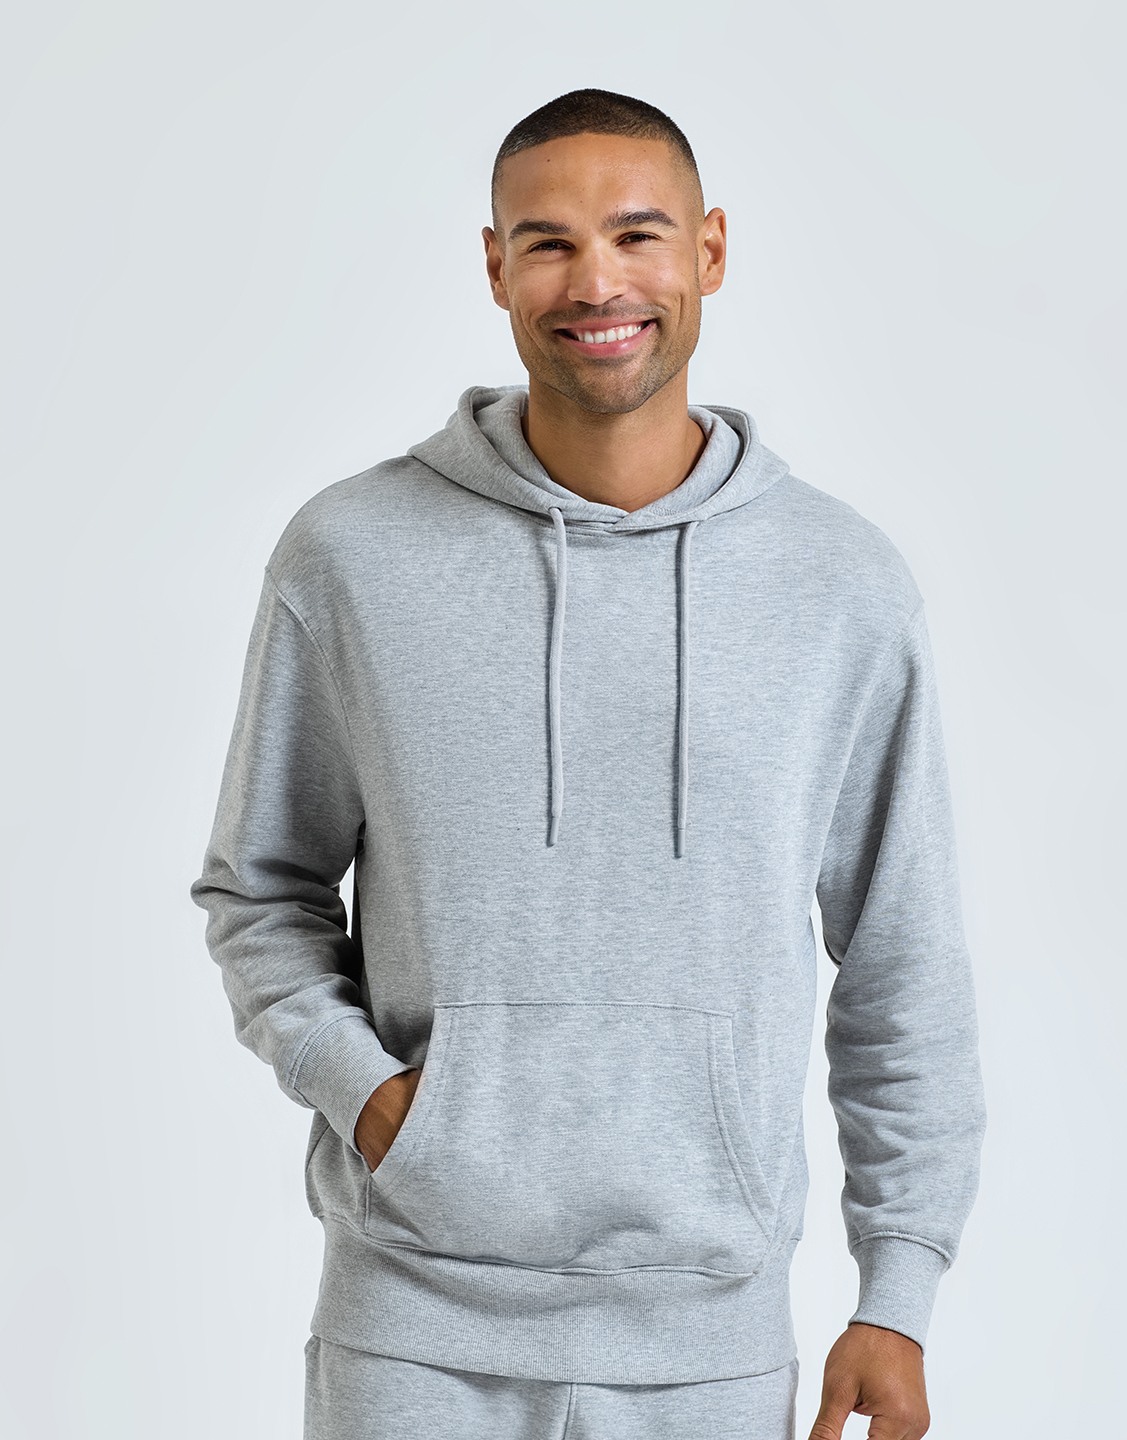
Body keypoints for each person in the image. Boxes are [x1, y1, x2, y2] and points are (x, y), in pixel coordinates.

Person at [192, 88, 985, 1440]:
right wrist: (371, 1099)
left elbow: (901, 960)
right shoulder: (353, 556)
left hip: (711, 1346)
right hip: (411, 1334)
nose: (597, 283)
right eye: (548, 242)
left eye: (637, 234)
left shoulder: (841, 586)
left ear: (710, 251)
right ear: (494, 266)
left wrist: (897, 1292)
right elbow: (259, 888)